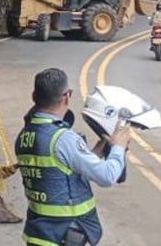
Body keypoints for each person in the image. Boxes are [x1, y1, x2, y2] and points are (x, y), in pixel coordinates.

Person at [17, 68, 131, 246]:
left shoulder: (25, 136)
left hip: (38, 233)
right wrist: (118, 147)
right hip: (64, 234)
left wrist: (92, 154)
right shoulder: (63, 138)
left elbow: (56, 173)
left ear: (34, 96)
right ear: (67, 97)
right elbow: (107, 176)